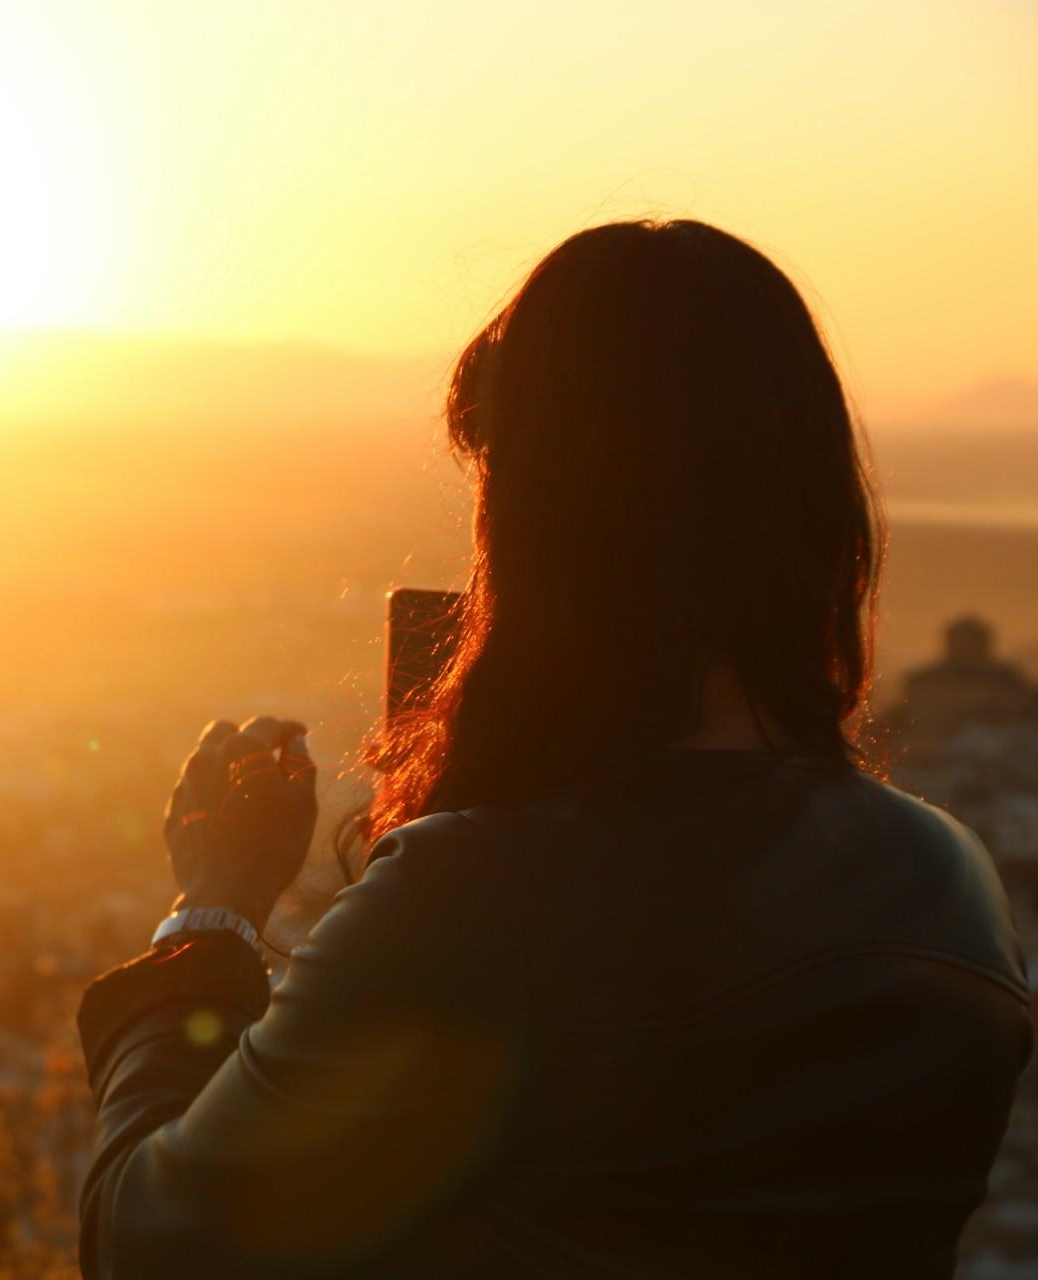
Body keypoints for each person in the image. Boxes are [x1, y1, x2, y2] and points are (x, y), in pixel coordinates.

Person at [76, 220, 1031, 1277]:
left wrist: (209, 919)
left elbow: (152, 1238)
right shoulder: (950, 888)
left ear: (538, 526)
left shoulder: (479, 894)